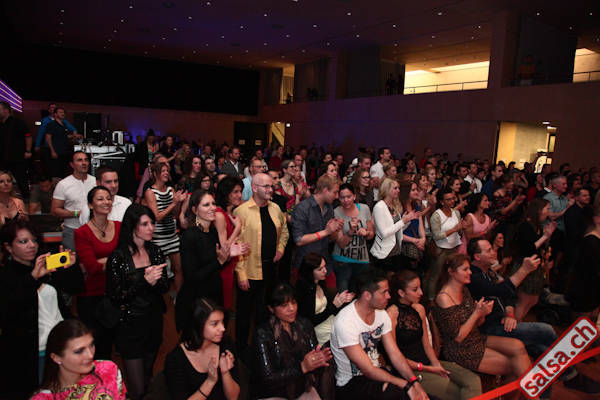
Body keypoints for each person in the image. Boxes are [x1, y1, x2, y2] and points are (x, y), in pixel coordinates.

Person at [466, 238, 598, 398]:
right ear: (477, 256)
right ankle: (570, 375)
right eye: (488, 250)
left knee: (544, 352)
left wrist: (510, 314)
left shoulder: (489, 272)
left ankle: (553, 389)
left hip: (502, 322)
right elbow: (500, 290)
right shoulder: (473, 277)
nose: (493, 252)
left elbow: (509, 297)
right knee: (546, 330)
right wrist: (524, 270)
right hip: (489, 328)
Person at [0, 220, 75, 398]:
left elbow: (74, 290)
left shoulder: (45, 266)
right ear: (9, 247)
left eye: (33, 240)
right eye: (23, 241)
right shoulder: (6, 276)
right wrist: (33, 278)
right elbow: (10, 311)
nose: (31, 245)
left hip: (59, 345)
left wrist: (69, 268)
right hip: (27, 352)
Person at [330, 268, 430, 400]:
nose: (389, 296)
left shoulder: (381, 313)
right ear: (367, 295)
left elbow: (395, 354)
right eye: (384, 292)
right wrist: (406, 385)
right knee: (398, 394)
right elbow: (368, 370)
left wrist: (414, 382)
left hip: (376, 374)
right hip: (351, 384)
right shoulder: (345, 322)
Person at [433, 254, 531, 385]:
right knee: (513, 365)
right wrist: (476, 313)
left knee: (518, 346)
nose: (470, 272)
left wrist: (483, 313)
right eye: (465, 269)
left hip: (475, 337)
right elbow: (458, 337)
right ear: (451, 272)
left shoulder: (464, 289)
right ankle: (530, 391)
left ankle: (529, 390)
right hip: (460, 349)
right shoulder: (444, 298)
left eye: (469, 269)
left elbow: (478, 323)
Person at [105, 204, 169, 399]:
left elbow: (165, 287)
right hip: (130, 326)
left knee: (148, 376)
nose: (151, 228)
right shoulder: (118, 257)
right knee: (137, 388)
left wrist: (156, 282)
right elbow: (116, 296)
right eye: (145, 224)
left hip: (153, 322)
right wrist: (144, 281)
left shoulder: (155, 251)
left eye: (152, 223)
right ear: (132, 226)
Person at [387, 270, 482, 400]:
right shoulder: (391, 315)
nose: (421, 292)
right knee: (455, 392)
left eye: (420, 287)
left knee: (473, 380)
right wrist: (428, 368)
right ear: (401, 293)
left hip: (427, 362)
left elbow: (427, 345)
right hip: (409, 370)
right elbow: (396, 358)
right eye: (415, 289)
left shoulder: (419, 309)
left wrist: (436, 365)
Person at [233, 173, 289, 351]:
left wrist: (280, 249)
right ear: (255, 188)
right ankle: (241, 349)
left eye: (271, 186)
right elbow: (236, 244)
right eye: (266, 186)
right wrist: (241, 274)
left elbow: (284, 231)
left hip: (270, 268)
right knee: (244, 313)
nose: (270, 189)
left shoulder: (275, 208)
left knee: (264, 311)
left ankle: (262, 348)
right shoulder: (241, 212)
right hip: (249, 270)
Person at [252, 282, 333, 400]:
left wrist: (318, 362)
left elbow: (314, 365)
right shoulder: (263, 333)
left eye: (294, 302)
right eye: (284, 305)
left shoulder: (304, 325)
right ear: (271, 308)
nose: (291, 309)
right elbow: (268, 378)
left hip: (302, 388)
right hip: (273, 394)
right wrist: (302, 368)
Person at [177, 190, 235, 331]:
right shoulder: (190, 236)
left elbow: (216, 265)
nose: (212, 208)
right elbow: (191, 277)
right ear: (195, 210)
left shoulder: (212, 231)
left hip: (214, 293)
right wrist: (220, 261)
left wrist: (227, 257)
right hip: (197, 300)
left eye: (213, 204)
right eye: (206, 205)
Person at [165, 298, 240, 400]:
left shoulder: (226, 344)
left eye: (222, 322)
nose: (222, 328)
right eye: (215, 324)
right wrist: (210, 381)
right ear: (198, 325)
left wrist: (225, 373)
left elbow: (233, 397)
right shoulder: (175, 359)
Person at [32, 319, 126, 400]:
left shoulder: (108, 370)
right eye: (79, 351)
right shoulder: (45, 397)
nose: (90, 355)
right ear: (56, 357)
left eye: (91, 345)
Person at [509, 198, 555, 321]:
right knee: (524, 301)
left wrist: (547, 236)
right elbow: (528, 249)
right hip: (525, 267)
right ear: (539, 210)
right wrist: (545, 236)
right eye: (547, 209)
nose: (549, 212)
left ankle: (519, 323)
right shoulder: (526, 225)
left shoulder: (537, 226)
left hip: (535, 267)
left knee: (533, 300)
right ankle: (515, 326)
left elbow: (540, 246)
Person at [144, 161, 186, 292]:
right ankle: (162, 298)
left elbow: (175, 214)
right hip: (158, 238)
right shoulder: (150, 192)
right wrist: (173, 203)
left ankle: (179, 298)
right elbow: (157, 217)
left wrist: (179, 203)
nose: (166, 173)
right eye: (163, 171)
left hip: (172, 235)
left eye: (167, 170)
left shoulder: (170, 190)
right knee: (159, 272)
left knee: (179, 268)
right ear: (155, 174)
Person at [296, 253, 355, 344]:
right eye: (320, 269)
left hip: (330, 321)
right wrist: (334, 306)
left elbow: (329, 309)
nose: (325, 271)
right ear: (310, 271)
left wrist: (341, 301)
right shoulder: (303, 289)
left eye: (325, 266)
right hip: (318, 329)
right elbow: (310, 321)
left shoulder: (320, 283)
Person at [292, 175, 343, 276]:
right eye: (335, 192)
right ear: (325, 190)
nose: (337, 196)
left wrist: (335, 230)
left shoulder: (329, 208)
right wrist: (326, 231)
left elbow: (329, 238)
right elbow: (299, 240)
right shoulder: (303, 208)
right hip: (307, 265)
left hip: (324, 261)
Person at [51, 151, 96, 251]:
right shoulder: (63, 184)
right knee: (72, 259)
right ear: (72, 164)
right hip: (73, 231)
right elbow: (54, 211)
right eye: (79, 160)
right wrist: (77, 213)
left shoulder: (95, 181)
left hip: (95, 230)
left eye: (86, 160)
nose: (84, 163)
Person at [332, 183, 374, 291]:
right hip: (343, 261)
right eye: (342, 197)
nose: (346, 200)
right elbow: (341, 243)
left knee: (361, 293)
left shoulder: (364, 208)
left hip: (362, 260)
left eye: (349, 196)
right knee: (344, 294)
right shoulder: (336, 212)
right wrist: (351, 231)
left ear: (354, 196)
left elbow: (371, 234)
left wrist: (366, 233)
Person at [426, 188, 463, 301]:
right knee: (435, 276)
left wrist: (461, 229)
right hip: (441, 250)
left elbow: (459, 230)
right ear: (442, 202)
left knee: (451, 275)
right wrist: (454, 229)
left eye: (453, 198)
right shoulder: (436, 215)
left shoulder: (456, 213)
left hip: (454, 248)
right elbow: (436, 235)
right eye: (448, 199)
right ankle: (431, 299)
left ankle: (449, 296)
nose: (452, 201)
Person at [215, 177, 246, 310]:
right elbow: (224, 250)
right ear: (226, 193)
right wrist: (237, 229)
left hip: (230, 266)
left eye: (240, 192)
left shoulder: (230, 212)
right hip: (222, 268)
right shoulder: (219, 215)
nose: (240, 195)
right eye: (235, 192)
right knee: (221, 305)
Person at [0, 101, 33, 197]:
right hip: (2, 158)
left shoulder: (18, 122)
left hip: (17, 157)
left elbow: (28, 136)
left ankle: (26, 199)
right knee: (2, 180)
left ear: (6, 110)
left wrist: (28, 151)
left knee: (22, 180)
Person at [398, 181, 426, 270]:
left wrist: (423, 239)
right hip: (404, 247)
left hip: (417, 244)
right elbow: (396, 232)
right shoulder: (399, 208)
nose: (416, 192)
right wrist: (415, 241)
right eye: (413, 190)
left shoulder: (416, 206)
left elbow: (420, 226)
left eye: (416, 189)